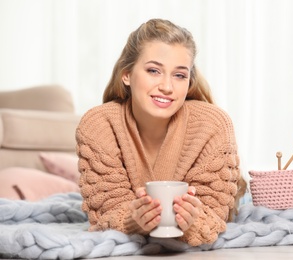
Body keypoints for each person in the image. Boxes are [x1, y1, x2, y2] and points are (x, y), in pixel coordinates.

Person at [76, 18, 247, 247]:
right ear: (126, 74)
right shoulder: (98, 125)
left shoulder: (214, 124)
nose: (167, 86)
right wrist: (132, 220)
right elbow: (105, 213)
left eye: (179, 75)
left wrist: (192, 221)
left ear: (189, 81)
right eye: (154, 71)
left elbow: (214, 217)